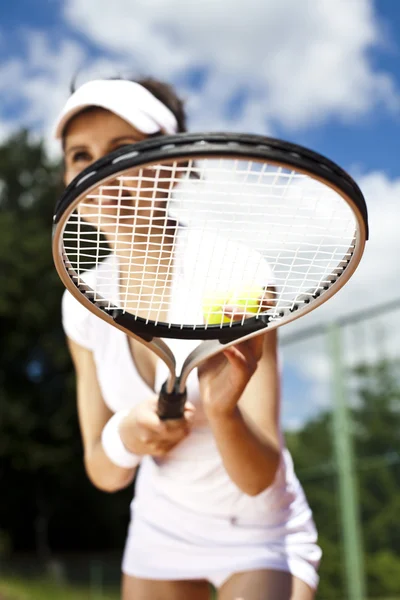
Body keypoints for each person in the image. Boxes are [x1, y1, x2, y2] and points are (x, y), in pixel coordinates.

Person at [55, 76, 322, 600]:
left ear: (174, 163)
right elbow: (103, 472)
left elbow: (257, 477)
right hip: (160, 529)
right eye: (80, 155)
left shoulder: (237, 274)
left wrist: (224, 413)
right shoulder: (79, 304)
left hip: (259, 531)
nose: (100, 172)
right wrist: (127, 437)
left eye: (123, 150)